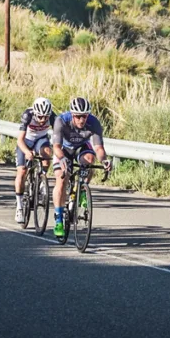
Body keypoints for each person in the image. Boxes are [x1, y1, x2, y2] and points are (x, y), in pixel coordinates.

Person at [51, 97, 111, 237]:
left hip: (81, 147)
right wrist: (62, 159)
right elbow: (56, 147)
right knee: (61, 180)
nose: (81, 120)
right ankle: (59, 219)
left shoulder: (93, 122)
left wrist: (104, 161)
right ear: (72, 114)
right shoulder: (61, 121)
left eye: (84, 116)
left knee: (90, 159)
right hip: (63, 150)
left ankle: (82, 189)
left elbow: (99, 148)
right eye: (78, 116)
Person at [14, 97, 55, 223]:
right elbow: (19, 140)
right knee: (22, 171)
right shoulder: (27, 115)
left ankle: (42, 179)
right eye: (40, 117)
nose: (43, 120)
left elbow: (58, 135)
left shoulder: (53, 117)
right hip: (26, 141)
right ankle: (19, 207)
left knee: (47, 153)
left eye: (45, 117)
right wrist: (26, 151)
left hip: (41, 140)